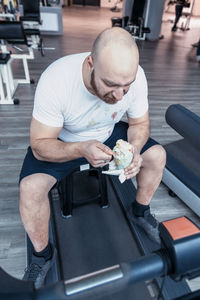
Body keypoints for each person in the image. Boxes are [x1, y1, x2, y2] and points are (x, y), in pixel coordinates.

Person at [19, 27, 166, 288]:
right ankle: (42, 256)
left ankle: (140, 211)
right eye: (110, 85)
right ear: (91, 63)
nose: (120, 95)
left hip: (108, 135)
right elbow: (40, 145)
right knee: (30, 189)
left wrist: (134, 147)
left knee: (156, 155)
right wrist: (80, 148)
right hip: (62, 141)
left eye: (126, 86)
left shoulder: (136, 78)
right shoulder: (57, 79)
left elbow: (140, 123)